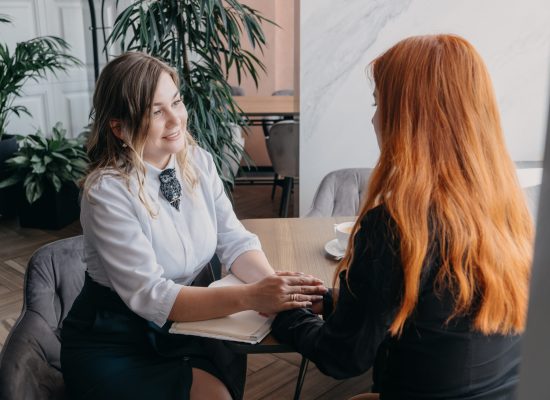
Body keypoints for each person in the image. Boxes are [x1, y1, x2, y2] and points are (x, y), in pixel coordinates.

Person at [272, 34, 534, 399]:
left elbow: (342, 357)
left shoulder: (396, 227)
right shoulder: (508, 210)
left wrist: (285, 316)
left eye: (379, 103)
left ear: (408, 119)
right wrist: (333, 302)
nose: (374, 118)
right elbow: (437, 314)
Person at [60, 52, 326, 400]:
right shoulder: (106, 193)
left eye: (176, 102)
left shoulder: (198, 161)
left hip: (192, 321)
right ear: (119, 127)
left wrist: (271, 287)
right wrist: (251, 296)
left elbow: (234, 239)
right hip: (117, 339)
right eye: (156, 111)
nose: (176, 120)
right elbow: (151, 295)